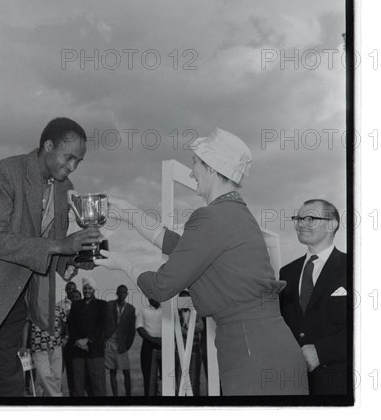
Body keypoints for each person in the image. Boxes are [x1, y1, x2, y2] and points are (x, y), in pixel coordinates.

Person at [96, 128, 309, 396]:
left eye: (194, 163)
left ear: (211, 168)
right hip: (269, 346)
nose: (191, 171)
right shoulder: (235, 215)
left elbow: (161, 287)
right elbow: (180, 246)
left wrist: (122, 262)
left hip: (250, 351)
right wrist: (130, 213)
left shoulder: (210, 217)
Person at [0, 117, 101, 396]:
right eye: (69, 157)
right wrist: (62, 245)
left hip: (14, 305)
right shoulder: (6, 172)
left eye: (78, 161)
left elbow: (53, 251)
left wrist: (82, 254)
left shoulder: (64, 188)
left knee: (10, 387)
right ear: (48, 145)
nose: (72, 166)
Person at [279, 199, 348, 395]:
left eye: (309, 218)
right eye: (298, 218)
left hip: (337, 384)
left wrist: (322, 351)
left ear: (331, 224)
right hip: (293, 383)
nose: (300, 224)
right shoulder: (287, 272)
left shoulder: (353, 267)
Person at [67, 277, 107, 396]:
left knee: (97, 384)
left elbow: (102, 325)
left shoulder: (102, 305)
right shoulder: (76, 305)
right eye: (85, 288)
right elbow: (71, 325)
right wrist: (79, 341)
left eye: (89, 288)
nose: (87, 291)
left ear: (94, 290)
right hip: (78, 349)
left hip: (95, 350)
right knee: (78, 384)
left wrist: (87, 340)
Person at [21, 300, 67, 397]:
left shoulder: (58, 308)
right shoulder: (33, 310)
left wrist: (65, 337)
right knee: (43, 375)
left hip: (56, 345)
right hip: (38, 345)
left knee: (57, 376)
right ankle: (57, 396)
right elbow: (26, 326)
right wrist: (24, 346)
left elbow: (66, 323)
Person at [105, 284, 136, 396]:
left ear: (127, 294)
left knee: (126, 371)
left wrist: (127, 345)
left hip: (122, 344)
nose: (122, 294)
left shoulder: (131, 309)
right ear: (116, 293)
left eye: (124, 292)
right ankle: (115, 395)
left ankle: (128, 395)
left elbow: (132, 330)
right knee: (112, 371)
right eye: (120, 292)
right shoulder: (109, 305)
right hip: (109, 341)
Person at [136, 297, 162, 396]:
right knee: (149, 376)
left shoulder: (167, 309)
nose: (152, 298)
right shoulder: (143, 310)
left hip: (165, 345)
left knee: (167, 376)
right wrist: (153, 340)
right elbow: (139, 327)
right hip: (148, 345)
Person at [57, 281, 78, 396]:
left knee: (74, 371)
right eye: (69, 289)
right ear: (66, 290)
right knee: (60, 370)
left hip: (75, 342)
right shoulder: (59, 305)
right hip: (63, 341)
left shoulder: (80, 303)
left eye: (73, 289)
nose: (71, 291)